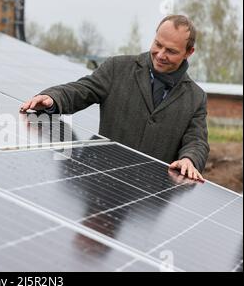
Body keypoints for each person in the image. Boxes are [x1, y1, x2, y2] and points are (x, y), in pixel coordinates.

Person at [20, 15, 209, 182]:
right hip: (104, 183)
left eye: (171, 51)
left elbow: (197, 141)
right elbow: (82, 89)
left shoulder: (195, 97)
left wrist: (189, 159)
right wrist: (53, 98)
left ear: (189, 52)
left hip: (148, 201)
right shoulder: (117, 68)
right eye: (158, 44)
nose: (160, 55)